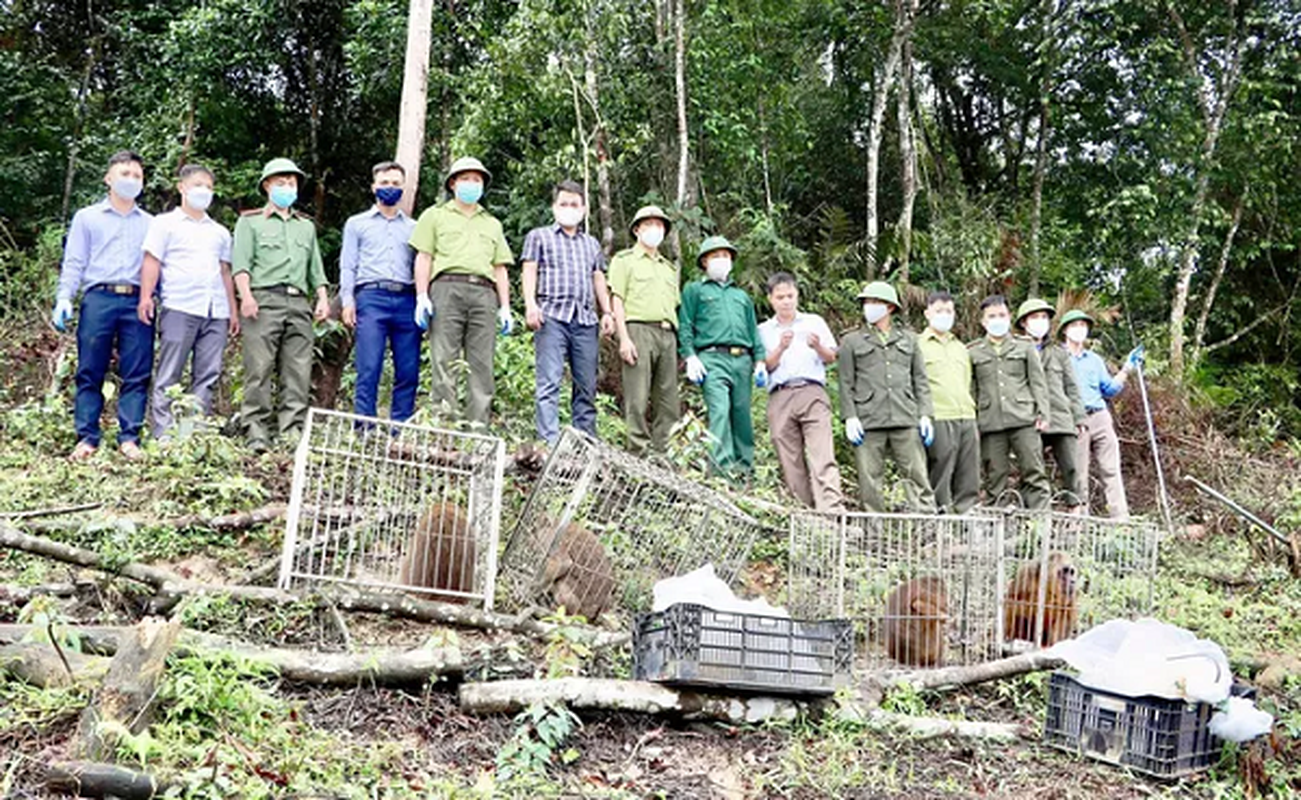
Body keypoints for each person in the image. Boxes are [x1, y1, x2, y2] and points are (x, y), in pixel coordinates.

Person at [53, 150, 154, 461]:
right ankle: (87, 438)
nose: (131, 180)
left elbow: (158, 266)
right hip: (99, 297)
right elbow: (75, 261)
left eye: (137, 176)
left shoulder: (152, 223)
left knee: (137, 372)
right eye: (125, 174)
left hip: (138, 301)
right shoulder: (87, 218)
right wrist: (64, 297)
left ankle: (129, 438)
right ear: (109, 178)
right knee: (90, 369)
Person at [231, 157, 330, 453]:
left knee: (298, 371)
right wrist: (245, 296)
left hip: (299, 303)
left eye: (291, 183)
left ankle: (291, 432)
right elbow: (241, 264)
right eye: (280, 183)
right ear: (267, 186)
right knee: (258, 369)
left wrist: (323, 298)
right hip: (263, 300)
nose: (287, 188)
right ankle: (256, 432)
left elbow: (316, 268)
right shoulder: (250, 222)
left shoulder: (305, 227)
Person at [409, 156, 514, 425]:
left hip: (484, 293)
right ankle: (445, 427)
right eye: (465, 179)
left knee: (482, 365)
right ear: (453, 183)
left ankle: (478, 432)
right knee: (444, 360)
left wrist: (505, 306)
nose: (471, 184)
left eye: (476, 180)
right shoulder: (435, 216)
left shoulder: (492, 223)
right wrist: (421, 296)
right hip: (446, 289)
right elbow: (424, 256)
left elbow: (500, 267)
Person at [137, 163, 237, 441]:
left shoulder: (219, 231)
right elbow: (151, 261)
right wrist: (145, 296)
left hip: (215, 310)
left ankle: (192, 435)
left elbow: (225, 271)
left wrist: (232, 310)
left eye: (208, 186)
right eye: (197, 185)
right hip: (180, 306)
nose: (203, 191)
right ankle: (164, 436)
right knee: (170, 373)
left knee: (207, 375)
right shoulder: (164, 224)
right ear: (182, 187)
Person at [521, 180, 614, 445]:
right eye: (564, 204)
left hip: (585, 320)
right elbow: (529, 270)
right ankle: (548, 444)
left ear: (584, 209)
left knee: (586, 387)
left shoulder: (591, 244)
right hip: (551, 317)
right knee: (549, 383)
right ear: (554, 207)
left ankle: (585, 444)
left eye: (574, 204)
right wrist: (530, 305)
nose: (569, 208)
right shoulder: (539, 236)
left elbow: (598, 278)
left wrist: (607, 311)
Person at [838, 281, 935, 512]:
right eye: (867, 303)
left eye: (875, 302)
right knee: (869, 479)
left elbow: (920, 380)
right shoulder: (851, 341)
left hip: (905, 415)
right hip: (868, 418)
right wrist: (850, 417)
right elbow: (845, 382)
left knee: (916, 473)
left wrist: (925, 415)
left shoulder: (909, 340)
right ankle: (875, 530)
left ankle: (927, 522)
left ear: (890, 307)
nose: (869, 307)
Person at [678, 236, 767, 479]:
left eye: (726, 256)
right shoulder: (695, 290)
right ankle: (722, 473)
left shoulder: (741, 296)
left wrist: (760, 361)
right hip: (712, 358)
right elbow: (685, 325)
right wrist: (690, 357)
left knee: (741, 413)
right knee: (719, 411)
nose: (722, 260)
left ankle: (745, 471)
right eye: (716, 256)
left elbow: (753, 330)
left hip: (742, 360)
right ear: (705, 261)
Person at [340, 161, 420, 423]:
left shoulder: (414, 227)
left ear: (403, 187)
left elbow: (422, 265)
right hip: (371, 298)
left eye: (396, 183)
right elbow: (348, 264)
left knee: (408, 370)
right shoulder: (356, 224)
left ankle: (401, 429)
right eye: (385, 183)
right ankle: (364, 429)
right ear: (374, 187)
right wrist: (347, 300)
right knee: (369, 366)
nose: (390, 188)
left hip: (406, 299)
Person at [758, 272, 843, 511]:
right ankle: (803, 512)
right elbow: (765, 365)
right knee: (789, 457)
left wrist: (817, 346)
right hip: (780, 394)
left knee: (822, 452)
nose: (786, 301)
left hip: (812, 392)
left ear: (797, 296)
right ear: (771, 299)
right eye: (780, 297)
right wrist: (781, 348)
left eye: (790, 296)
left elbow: (831, 357)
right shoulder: (763, 330)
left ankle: (832, 509)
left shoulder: (813, 322)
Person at [968, 295, 1051, 510]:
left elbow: (1038, 383)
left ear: (1009, 317)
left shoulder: (1024, 346)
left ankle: (1040, 523)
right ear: (983, 321)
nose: (998, 319)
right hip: (990, 422)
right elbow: (972, 389)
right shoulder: (973, 351)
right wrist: (973, 421)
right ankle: (996, 524)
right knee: (995, 476)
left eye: (1002, 315)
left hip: (1024, 418)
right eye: (992, 316)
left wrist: (1043, 413)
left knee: (1034, 471)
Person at [1059, 309, 1144, 519]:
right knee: (1078, 473)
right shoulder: (1058, 357)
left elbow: (1109, 389)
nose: (1079, 330)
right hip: (1074, 419)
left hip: (1100, 416)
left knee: (1111, 469)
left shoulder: (1094, 359)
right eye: (1074, 326)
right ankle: (1079, 522)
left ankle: (1120, 519)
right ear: (1065, 331)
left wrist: (1127, 368)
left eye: (1083, 326)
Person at [608, 206, 679, 456]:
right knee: (637, 398)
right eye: (648, 225)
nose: (654, 230)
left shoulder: (668, 268)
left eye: (659, 225)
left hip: (668, 334)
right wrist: (623, 338)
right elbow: (617, 300)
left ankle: (665, 453)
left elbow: (674, 305)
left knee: (669, 400)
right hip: (638, 330)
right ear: (637, 230)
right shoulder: (624, 260)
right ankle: (638, 452)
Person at [1016, 298, 1086, 508]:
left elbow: (1072, 387)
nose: (1040, 321)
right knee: (1032, 469)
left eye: (1044, 317)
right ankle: (1034, 515)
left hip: (1060, 416)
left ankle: (1074, 511)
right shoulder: (1016, 349)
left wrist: (1079, 417)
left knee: (1072, 467)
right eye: (1035, 317)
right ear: (1024, 323)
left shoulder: (1058, 352)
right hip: (1029, 417)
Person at [918, 290, 980, 514]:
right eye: (939, 311)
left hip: (966, 415)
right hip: (939, 415)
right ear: (927, 313)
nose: (944, 315)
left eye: (949, 311)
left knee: (969, 472)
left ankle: (967, 514)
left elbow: (968, 382)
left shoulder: (961, 348)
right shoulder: (919, 345)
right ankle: (939, 515)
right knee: (941, 469)